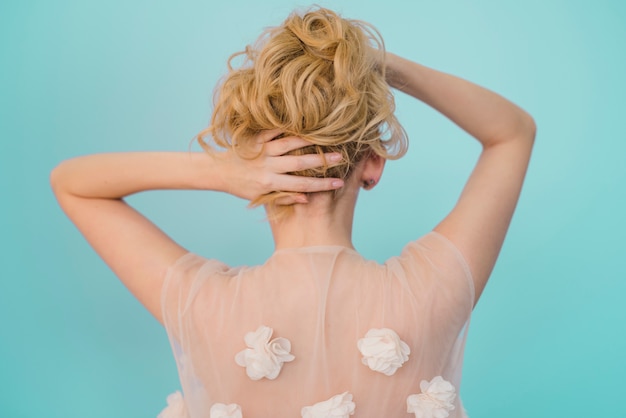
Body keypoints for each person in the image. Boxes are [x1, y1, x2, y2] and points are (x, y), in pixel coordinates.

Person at [50, 6, 535, 418]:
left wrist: (223, 171)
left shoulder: (200, 304)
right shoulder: (434, 288)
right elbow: (512, 131)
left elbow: (73, 184)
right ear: (372, 164)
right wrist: (372, 64)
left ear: (251, 165)